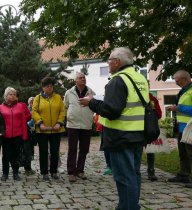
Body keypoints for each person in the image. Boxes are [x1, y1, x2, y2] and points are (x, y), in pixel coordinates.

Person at [79, 47, 148, 210]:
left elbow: (111, 110)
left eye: (109, 60)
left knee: (124, 176)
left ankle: (128, 207)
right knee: (134, 174)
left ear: (117, 62)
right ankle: (129, 205)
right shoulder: (140, 78)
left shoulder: (117, 80)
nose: (108, 63)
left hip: (120, 135)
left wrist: (91, 102)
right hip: (138, 133)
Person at [32, 77, 66, 181]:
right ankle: (44, 172)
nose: (50, 88)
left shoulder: (58, 97)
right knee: (43, 152)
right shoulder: (38, 98)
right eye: (47, 86)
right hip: (42, 130)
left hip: (56, 130)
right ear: (43, 87)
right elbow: (34, 111)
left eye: (51, 86)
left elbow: (62, 111)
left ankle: (54, 171)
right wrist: (40, 123)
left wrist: (59, 123)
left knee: (55, 151)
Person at [64, 72, 95, 182]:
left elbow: (93, 106)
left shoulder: (91, 92)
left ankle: (80, 170)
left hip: (86, 124)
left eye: (84, 77)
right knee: (72, 149)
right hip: (73, 124)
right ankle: (71, 172)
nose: (83, 79)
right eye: (80, 78)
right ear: (75, 81)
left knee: (84, 149)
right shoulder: (69, 92)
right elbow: (66, 105)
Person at [0, 87, 31, 181]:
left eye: (14, 94)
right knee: (6, 155)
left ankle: (15, 173)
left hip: (18, 135)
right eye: (10, 94)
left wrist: (24, 135)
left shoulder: (20, 106)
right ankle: (5, 173)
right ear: (6, 95)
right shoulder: (0, 107)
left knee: (16, 155)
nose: (12, 96)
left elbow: (25, 121)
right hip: (5, 136)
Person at [166, 70, 192, 187]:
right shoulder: (183, 91)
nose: (176, 83)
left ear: (185, 79)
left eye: (177, 81)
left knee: (190, 153)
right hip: (181, 127)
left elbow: (185, 108)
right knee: (183, 153)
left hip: (189, 127)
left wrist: (179, 108)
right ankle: (183, 175)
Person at [146, 93, 162, 181]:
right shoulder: (152, 98)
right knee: (150, 150)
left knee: (136, 149)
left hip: (136, 127)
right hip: (150, 128)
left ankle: (134, 171)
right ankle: (151, 171)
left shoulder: (131, 97)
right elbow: (159, 114)